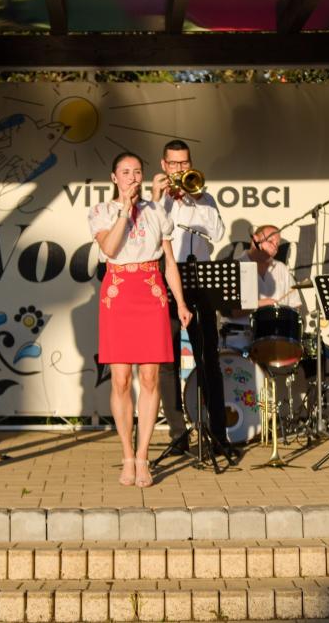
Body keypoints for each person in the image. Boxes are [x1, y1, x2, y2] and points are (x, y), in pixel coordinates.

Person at [89, 151, 193, 488]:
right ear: (114, 177)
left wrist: (180, 302)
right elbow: (110, 249)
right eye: (125, 172)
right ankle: (127, 456)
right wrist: (124, 211)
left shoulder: (156, 211)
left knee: (150, 378)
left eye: (136, 172)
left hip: (151, 291)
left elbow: (170, 263)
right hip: (118, 291)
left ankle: (144, 456)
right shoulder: (102, 211)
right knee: (120, 379)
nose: (132, 177)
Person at [155, 139, 226, 455]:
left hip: (200, 279)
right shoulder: (156, 201)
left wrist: (194, 199)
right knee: (166, 361)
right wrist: (162, 199)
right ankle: (178, 434)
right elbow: (152, 235)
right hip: (166, 278)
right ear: (164, 165)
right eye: (174, 164)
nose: (179, 169)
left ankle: (217, 435)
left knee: (208, 357)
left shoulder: (204, 198)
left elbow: (218, 233)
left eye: (184, 163)